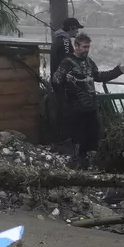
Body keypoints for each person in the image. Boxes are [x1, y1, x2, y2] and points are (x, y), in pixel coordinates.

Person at [52, 32, 124, 169]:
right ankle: (76, 163)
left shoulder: (89, 61)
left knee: (94, 135)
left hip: (91, 106)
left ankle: (90, 163)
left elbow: (98, 76)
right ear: (76, 46)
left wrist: (118, 71)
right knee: (78, 137)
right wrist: (66, 81)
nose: (86, 50)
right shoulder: (67, 62)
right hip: (75, 107)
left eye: (88, 47)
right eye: (84, 47)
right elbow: (55, 80)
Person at [49, 18, 84, 149]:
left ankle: (58, 139)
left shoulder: (57, 39)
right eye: (76, 28)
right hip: (62, 82)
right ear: (71, 28)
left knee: (61, 109)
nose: (77, 31)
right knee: (64, 110)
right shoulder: (64, 41)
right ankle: (62, 140)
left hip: (57, 80)